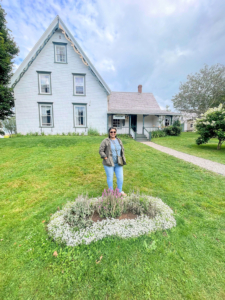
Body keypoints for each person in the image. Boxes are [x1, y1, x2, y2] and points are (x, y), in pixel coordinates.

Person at [99, 127, 127, 196]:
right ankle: (111, 193)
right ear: (109, 133)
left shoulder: (119, 140)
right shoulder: (105, 141)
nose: (113, 133)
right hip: (109, 163)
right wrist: (105, 157)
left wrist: (122, 158)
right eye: (111, 132)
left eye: (114, 132)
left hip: (119, 163)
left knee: (120, 177)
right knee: (110, 177)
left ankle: (119, 191)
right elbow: (101, 150)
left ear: (116, 133)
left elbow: (122, 150)